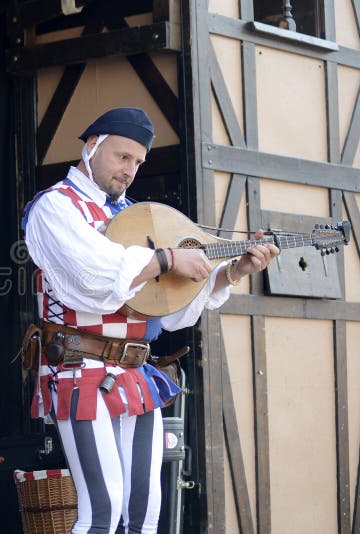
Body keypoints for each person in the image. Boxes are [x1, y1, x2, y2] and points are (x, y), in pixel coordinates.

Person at [22, 107, 280, 533]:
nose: (130, 171)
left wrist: (231, 272)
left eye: (138, 163)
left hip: (134, 371)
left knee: (143, 514)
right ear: (92, 146)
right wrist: (165, 258)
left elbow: (166, 306)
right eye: (123, 157)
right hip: (76, 368)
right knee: (101, 512)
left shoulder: (135, 218)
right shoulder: (56, 207)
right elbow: (93, 273)